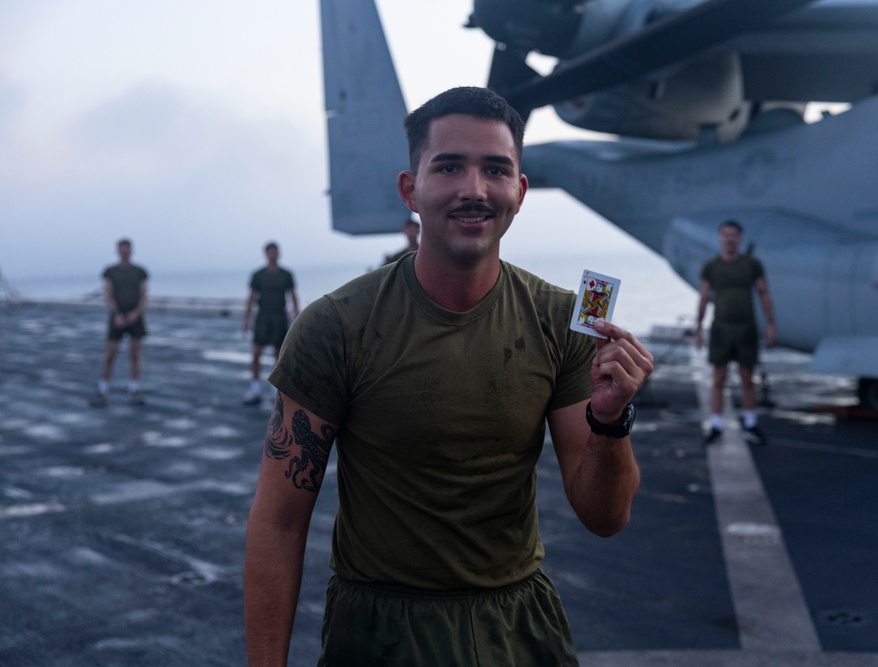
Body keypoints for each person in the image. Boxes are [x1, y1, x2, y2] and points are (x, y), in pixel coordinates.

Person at [244, 86, 653, 666]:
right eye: (450, 167)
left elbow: (605, 518)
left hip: (517, 629)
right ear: (411, 190)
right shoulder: (336, 326)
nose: (474, 189)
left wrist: (611, 420)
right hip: (380, 634)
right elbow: (278, 525)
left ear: (520, 191)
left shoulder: (564, 322)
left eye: (495, 169)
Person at [694, 219, 777, 445]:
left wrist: (771, 323)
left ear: (739, 238)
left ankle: (751, 424)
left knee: (747, 378)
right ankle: (715, 425)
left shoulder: (752, 264)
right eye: (726, 235)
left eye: (734, 235)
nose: (730, 239)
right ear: (721, 238)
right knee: (718, 378)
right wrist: (698, 328)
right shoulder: (711, 267)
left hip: (746, 328)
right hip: (721, 327)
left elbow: (763, 293)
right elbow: (703, 298)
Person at [90, 238, 149, 407]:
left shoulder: (140, 272)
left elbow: (144, 295)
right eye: (122, 249)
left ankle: (135, 390)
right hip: (116, 317)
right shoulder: (110, 271)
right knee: (110, 354)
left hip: (135, 318)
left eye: (127, 249)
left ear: (131, 251)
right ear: (118, 251)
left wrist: (136, 313)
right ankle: (102, 391)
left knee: (135, 355)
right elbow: (107, 294)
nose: (125, 252)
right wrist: (116, 314)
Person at [241, 242, 299, 406]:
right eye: (270, 252)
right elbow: (251, 297)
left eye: (275, 252)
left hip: (280, 317)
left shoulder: (286, 274)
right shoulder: (258, 275)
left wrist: (297, 317)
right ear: (266, 254)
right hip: (263, 317)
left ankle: (276, 391)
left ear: (278, 254)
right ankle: (255, 389)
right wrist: (246, 320)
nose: (273, 254)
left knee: (278, 355)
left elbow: (293, 296)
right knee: (256, 354)